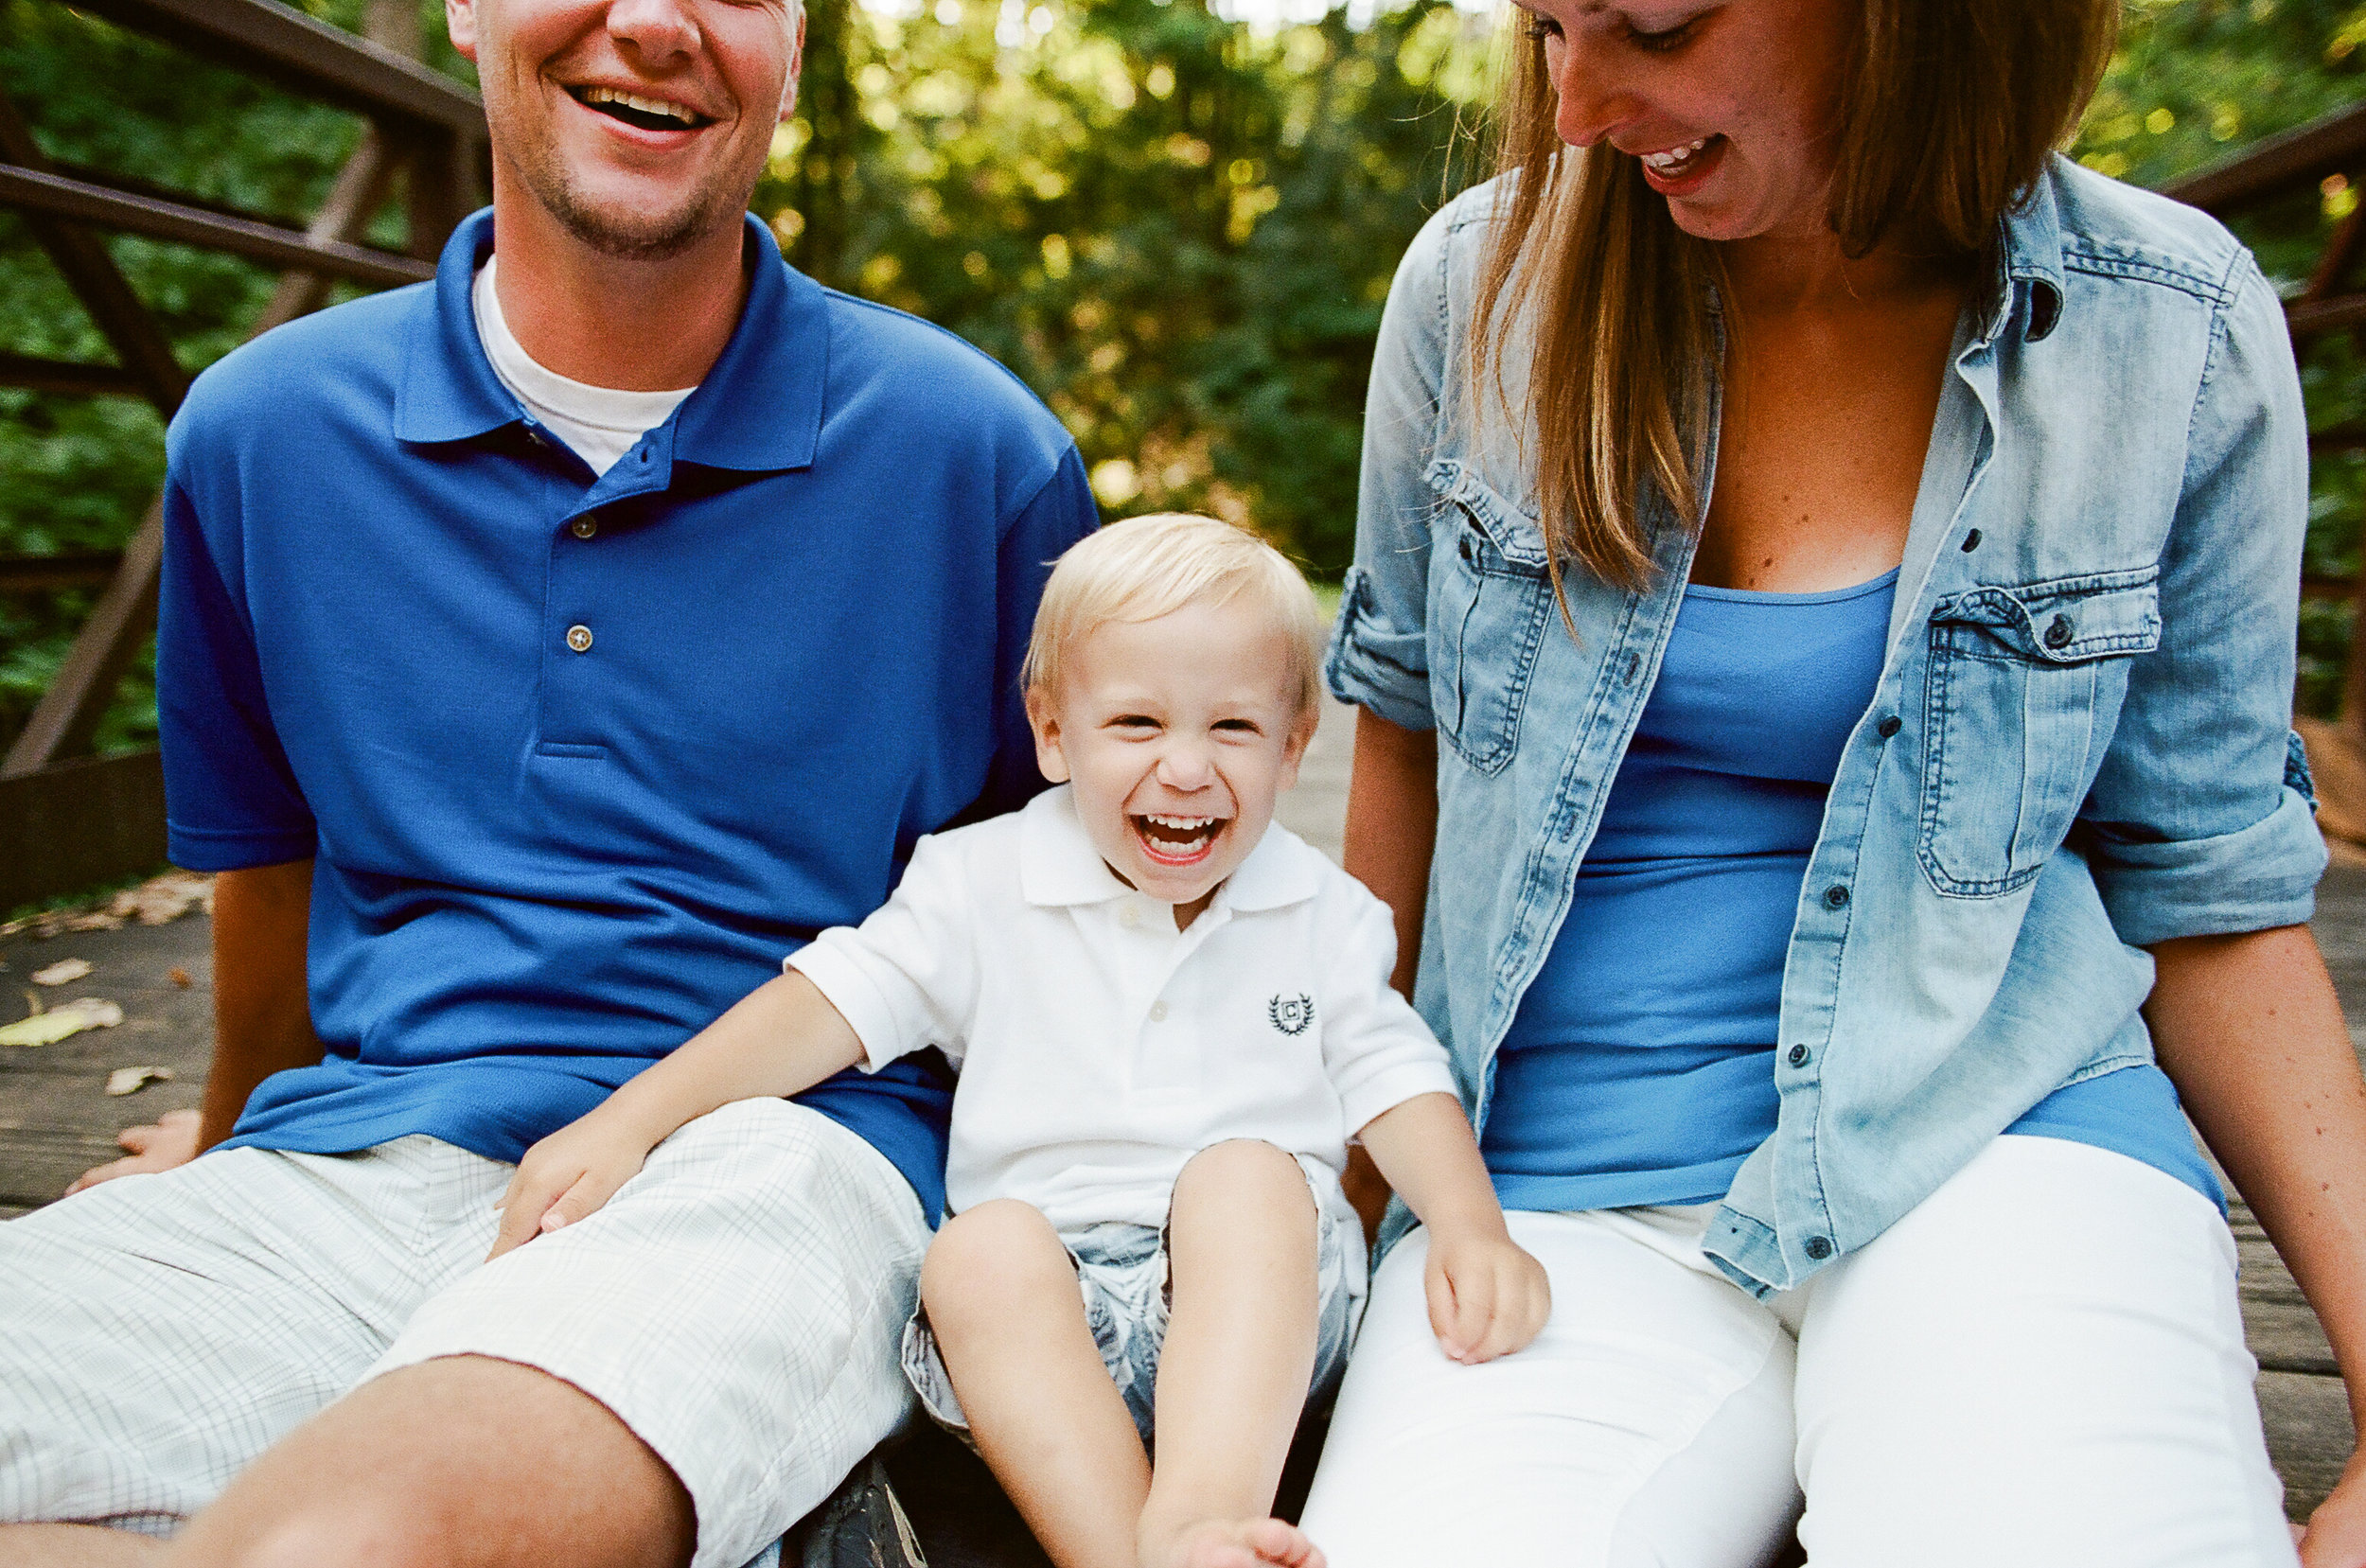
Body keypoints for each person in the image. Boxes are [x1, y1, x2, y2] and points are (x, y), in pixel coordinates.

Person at [0, 0, 1098, 1559]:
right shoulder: (262, 436)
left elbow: (1066, 925)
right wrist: (236, 1130)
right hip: (360, 1163)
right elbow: (275, 865)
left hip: (778, 1160)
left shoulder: (978, 457)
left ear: (790, 43)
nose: (651, 21)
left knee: (352, 1543)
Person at [1299, 1, 2366, 1564]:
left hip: (1997, 1132)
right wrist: (1326, 1222)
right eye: (1547, 30)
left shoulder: (2167, 324)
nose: (1580, 105)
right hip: (1536, 1201)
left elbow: (2215, 890)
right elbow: (1399, 759)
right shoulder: (1481, 290)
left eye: (1652, 28)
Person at [487, 514, 1551, 1568]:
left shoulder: (1321, 912)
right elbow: (829, 1003)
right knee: (975, 1248)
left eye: (1232, 728)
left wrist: (1467, 1227)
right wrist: (631, 1122)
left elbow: (1396, 1077)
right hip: (1046, 1322)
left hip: (1257, 1318)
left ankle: (1199, 1516)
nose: (1185, 767)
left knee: (1245, 1178)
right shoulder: (979, 883)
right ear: (1052, 734)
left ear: (1293, 746)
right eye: (1136, 723)